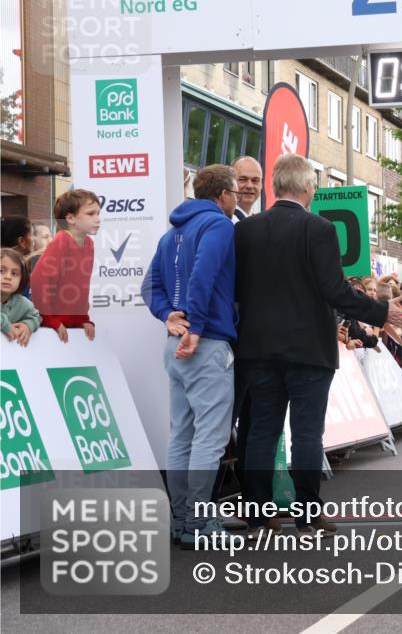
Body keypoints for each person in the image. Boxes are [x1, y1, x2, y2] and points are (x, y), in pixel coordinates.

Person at [235, 154, 402, 537]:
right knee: (306, 433)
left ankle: (257, 515)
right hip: (309, 350)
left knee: (261, 431)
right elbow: (335, 291)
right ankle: (307, 514)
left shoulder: (246, 230)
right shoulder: (319, 229)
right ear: (308, 187)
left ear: (274, 186)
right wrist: (382, 311)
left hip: (258, 348)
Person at [146, 165, 239, 549]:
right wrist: (196, 327)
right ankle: (200, 522)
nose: (237, 200)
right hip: (205, 342)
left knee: (182, 434)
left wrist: (168, 314)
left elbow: (150, 285)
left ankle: (184, 520)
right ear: (223, 194)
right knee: (209, 438)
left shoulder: (171, 234)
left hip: (177, 345)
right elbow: (203, 274)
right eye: (235, 192)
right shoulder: (218, 225)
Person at [30, 189, 101, 343]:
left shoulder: (89, 243)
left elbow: (81, 285)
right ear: (70, 218)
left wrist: (82, 318)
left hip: (72, 325)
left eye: (98, 213)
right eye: (90, 214)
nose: (97, 219)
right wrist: (48, 318)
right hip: (54, 326)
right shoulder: (61, 241)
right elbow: (39, 280)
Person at [1, 249, 40, 347]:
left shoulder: (23, 303)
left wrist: (27, 325)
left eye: (14, 273)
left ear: (21, 279)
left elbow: (36, 317)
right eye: (1, 271)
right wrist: (5, 325)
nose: (8, 277)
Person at [230, 156, 263, 222]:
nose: (249, 186)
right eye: (243, 179)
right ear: (231, 182)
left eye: (255, 180)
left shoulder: (260, 221)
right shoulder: (224, 220)